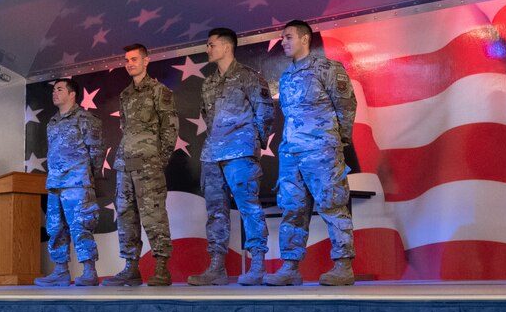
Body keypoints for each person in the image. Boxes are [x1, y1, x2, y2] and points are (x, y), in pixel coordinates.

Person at [267, 20, 359, 286]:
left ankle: (343, 265)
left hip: (321, 150)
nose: (283, 42)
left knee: (332, 204)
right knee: (291, 208)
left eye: (288, 37)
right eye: (282, 38)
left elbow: (346, 106)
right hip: (291, 153)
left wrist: (337, 140)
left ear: (305, 38)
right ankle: (290, 267)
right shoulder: (285, 76)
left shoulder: (327, 68)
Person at [188, 28, 277, 286]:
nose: (208, 49)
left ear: (227, 46)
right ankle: (216, 267)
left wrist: (253, 143)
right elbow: (208, 116)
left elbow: (265, 114)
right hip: (213, 154)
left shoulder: (248, 77)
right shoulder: (208, 82)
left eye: (211, 44)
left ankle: (257, 263)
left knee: (249, 207)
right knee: (215, 211)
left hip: (240, 152)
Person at [103, 43, 179, 287]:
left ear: (147, 61)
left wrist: (158, 160)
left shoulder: (159, 91)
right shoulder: (125, 95)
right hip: (125, 164)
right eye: (127, 60)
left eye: (134, 59)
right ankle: (131, 267)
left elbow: (170, 128)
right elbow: (127, 128)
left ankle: (161, 268)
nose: (130, 63)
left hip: (148, 165)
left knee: (154, 215)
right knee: (126, 216)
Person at [36, 78, 104, 287]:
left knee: (80, 226)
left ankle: (89, 271)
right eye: (53, 90)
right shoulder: (52, 122)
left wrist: (86, 175)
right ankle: (60, 271)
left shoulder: (86, 119)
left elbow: (97, 152)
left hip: (77, 182)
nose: (54, 93)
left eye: (59, 89)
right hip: (55, 183)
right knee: (55, 227)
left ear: (72, 94)